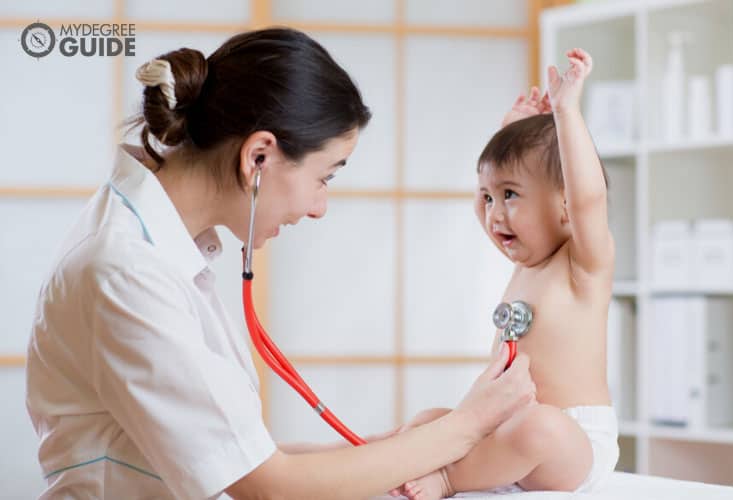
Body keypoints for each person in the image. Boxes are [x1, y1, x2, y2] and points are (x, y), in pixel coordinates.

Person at [24, 28, 537, 500]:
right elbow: (268, 487)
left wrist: (385, 449)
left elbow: (242, 459)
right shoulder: (126, 269)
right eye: (325, 177)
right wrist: (467, 425)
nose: (319, 207)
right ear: (259, 157)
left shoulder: (160, 247)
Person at [391, 49, 619, 500]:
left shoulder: (581, 265)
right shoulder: (524, 265)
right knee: (429, 421)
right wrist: (509, 133)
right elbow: (498, 189)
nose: (494, 213)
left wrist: (566, 111)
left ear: (566, 207)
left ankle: (450, 479)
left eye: (510, 194)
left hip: (570, 441)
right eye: (486, 197)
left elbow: (589, 198)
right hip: (507, 428)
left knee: (538, 426)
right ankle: (388, 464)